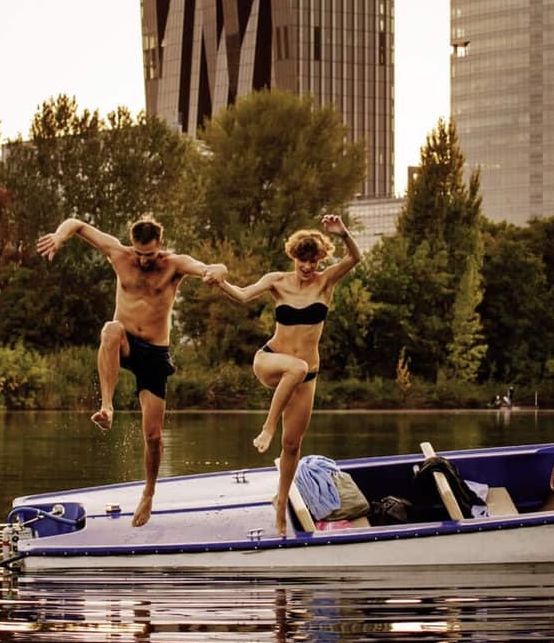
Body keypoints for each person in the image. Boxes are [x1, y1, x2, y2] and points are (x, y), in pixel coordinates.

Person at [35, 215, 223, 527]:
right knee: (110, 329)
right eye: (139, 253)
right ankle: (107, 407)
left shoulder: (174, 265)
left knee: (153, 436)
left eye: (149, 254)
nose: (143, 260)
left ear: (159, 246)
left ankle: (148, 492)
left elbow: (206, 268)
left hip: (154, 354)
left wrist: (217, 270)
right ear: (132, 245)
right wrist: (59, 236)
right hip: (125, 344)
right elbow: (77, 224)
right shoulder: (120, 255)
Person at [206, 213, 361, 536]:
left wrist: (343, 232)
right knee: (296, 366)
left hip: (306, 377)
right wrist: (219, 282)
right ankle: (266, 427)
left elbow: (355, 257)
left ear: (320, 259)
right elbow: (244, 295)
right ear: (293, 257)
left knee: (292, 445)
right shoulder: (277, 280)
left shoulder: (325, 282)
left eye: (314, 261)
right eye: (303, 261)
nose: (308, 268)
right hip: (272, 361)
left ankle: (280, 502)